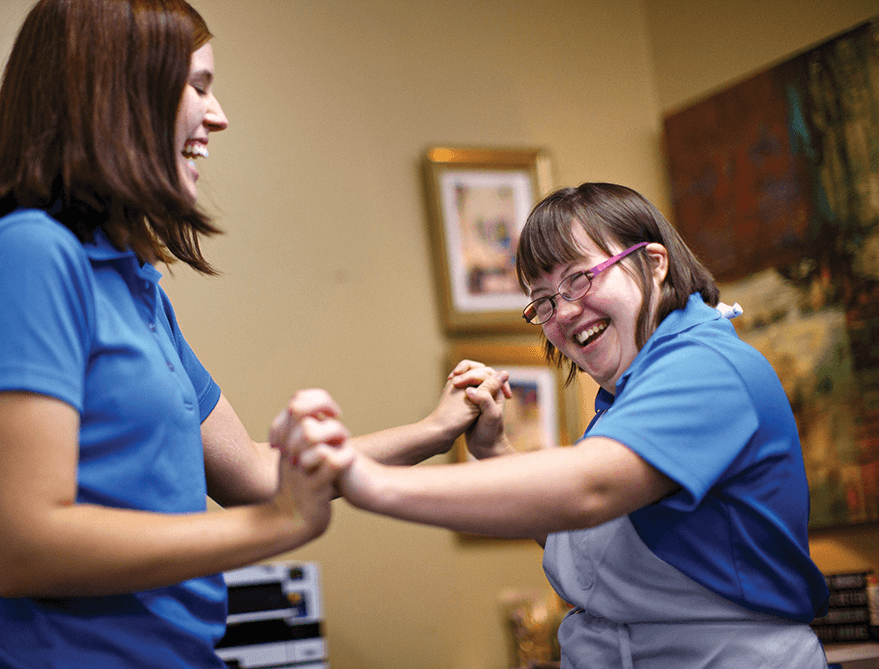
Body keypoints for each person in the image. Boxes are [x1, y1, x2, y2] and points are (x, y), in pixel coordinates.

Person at [0, 0, 504, 668]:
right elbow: (23, 549)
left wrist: (435, 428)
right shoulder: (28, 256)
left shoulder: (134, 286)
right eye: (199, 86)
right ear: (120, 92)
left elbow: (257, 475)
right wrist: (280, 524)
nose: (219, 114)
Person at [277, 183, 831, 668]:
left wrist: (367, 480)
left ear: (655, 263)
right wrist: (494, 452)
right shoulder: (625, 395)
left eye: (580, 280)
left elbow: (591, 487)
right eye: (543, 300)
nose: (563, 313)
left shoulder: (706, 367)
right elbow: (587, 534)